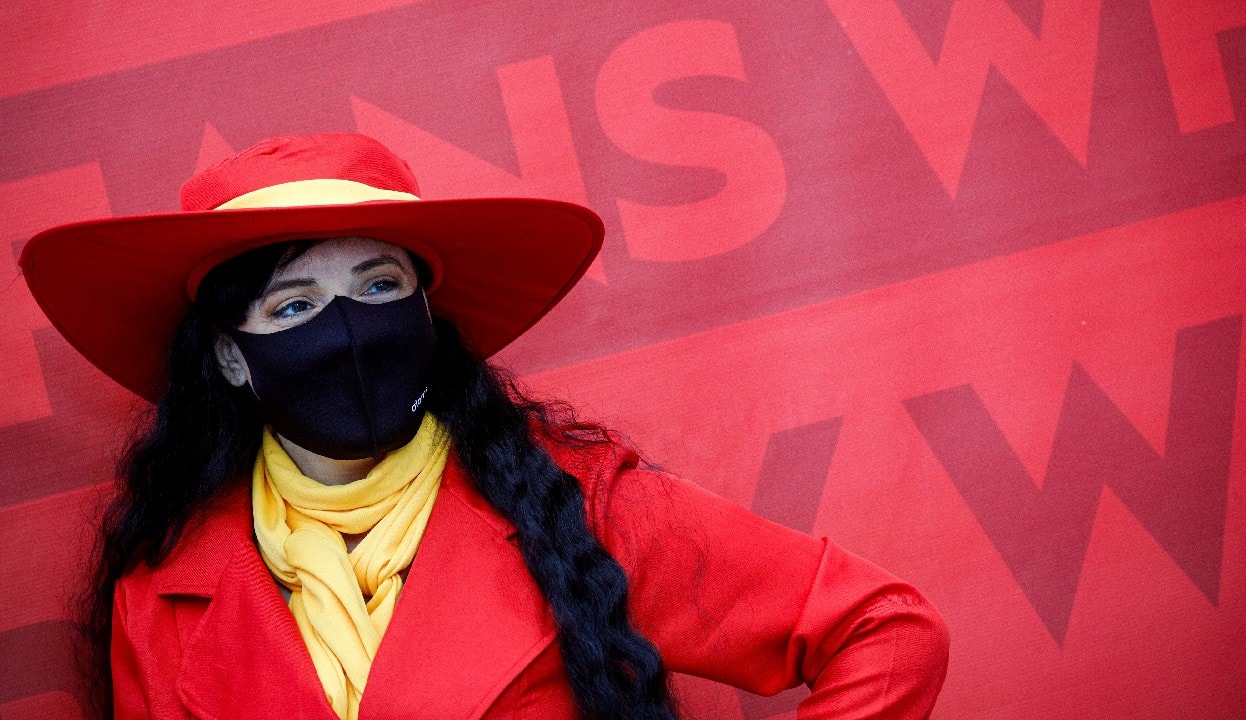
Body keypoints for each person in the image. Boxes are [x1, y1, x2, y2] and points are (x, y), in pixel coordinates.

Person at [20, 133, 949, 719]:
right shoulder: (161, 591)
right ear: (231, 357)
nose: (348, 330)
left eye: (379, 286)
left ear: (427, 316)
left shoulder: (581, 509)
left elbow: (887, 630)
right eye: (294, 306)